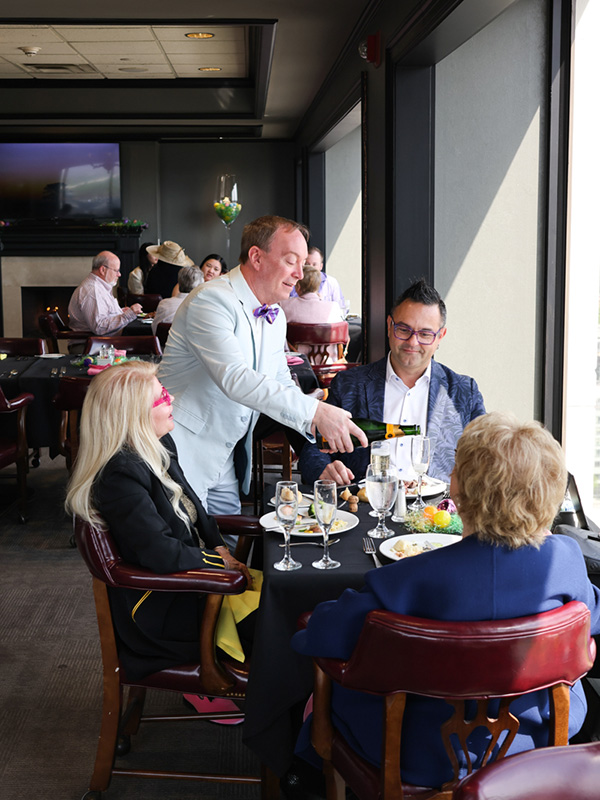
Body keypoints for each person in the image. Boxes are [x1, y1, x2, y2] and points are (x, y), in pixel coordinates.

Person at [293, 412, 600, 788]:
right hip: (537, 747)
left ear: (455, 488)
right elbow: (592, 620)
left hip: (414, 755)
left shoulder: (408, 580)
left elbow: (322, 635)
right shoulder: (565, 561)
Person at [158, 214, 367, 516]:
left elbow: (280, 379)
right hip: (181, 448)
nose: (300, 273)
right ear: (256, 257)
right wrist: (317, 412)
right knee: (190, 551)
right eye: (291, 260)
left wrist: (314, 416)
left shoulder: (275, 315)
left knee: (227, 545)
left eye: (303, 262)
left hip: (224, 455)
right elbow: (236, 379)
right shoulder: (211, 301)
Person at [65, 360, 254, 687]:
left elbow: (193, 505)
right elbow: (160, 554)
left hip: (196, 582)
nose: (172, 401)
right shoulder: (118, 476)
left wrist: (221, 548)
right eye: (160, 398)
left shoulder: (159, 442)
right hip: (166, 607)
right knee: (285, 620)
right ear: (131, 414)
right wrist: (219, 564)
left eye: (165, 391)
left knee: (289, 599)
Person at [299, 278, 486, 485]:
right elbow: (313, 448)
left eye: (425, 334)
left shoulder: (463, 392)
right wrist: (325, 469)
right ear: (390, 326)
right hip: (365, 508)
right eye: (404, 330)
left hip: (435, 512)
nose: (413, 342)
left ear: (440, 336)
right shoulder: (350, 384)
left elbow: (485, 458)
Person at [68, 250, 142, 335]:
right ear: (103, 270)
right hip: (92, 345)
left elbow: (102, 315)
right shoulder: (93, 290)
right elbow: (99, 327)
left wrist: (120, 312)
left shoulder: (99, 287)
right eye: (116, 270)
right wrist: (128, 315)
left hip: (101, 342)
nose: (119, 274)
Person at [280, 265, 345, 362]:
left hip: (298, 365)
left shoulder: (284, 305)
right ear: (317, 286)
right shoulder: (334, 307)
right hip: (329, 365)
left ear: (298, 286)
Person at [151, 265, 202, 334]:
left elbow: (155, 330)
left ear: (179, 283)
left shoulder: (164, 303)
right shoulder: (202, 306)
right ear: (199, 285)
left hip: (165, 344)